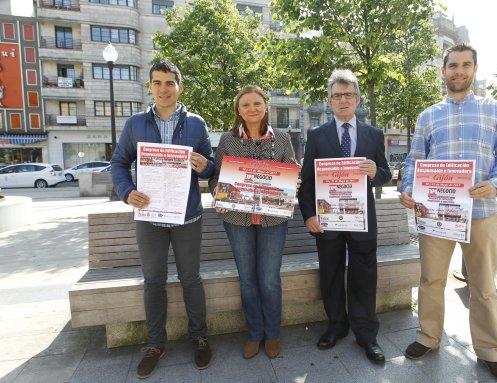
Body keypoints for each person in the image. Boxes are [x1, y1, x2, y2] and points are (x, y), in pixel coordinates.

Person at [399, 44, 497, 383]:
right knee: (431, 280)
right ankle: (428, 336)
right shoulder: (428, 116)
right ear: (443, 70)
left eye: (466, 65)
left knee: (483, 286)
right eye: (453, 65)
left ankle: (489, 351)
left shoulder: (495, 111)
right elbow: (413, 160)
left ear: (475, 69)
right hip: (435, 213)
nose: (458, 71)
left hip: (481, 211)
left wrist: (496, 184)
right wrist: (408, 187)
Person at [111, 59, 215, 379]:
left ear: (179, 86)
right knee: (153, 280)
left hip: (187, 215)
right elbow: (118, 164)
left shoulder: (197, 123)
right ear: (150, 87)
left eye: (170, 82)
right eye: (157, 82)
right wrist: (127, 191)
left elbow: (211, 166)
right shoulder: (135, 124)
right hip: (149, 215)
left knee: (190, 278)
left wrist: (205, 166)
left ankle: (198, 336)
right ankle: (156, 343)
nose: (163, 88)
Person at [298, 69, 392, 363]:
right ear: (328, 101)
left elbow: (386, 174)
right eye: (336, 95)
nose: (342, 100)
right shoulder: (316, 136)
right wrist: (308, 214)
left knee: (365, 275)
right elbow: (307, 180)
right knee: (331, 273)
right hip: (327, 221)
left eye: (348, 94)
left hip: (361, 221)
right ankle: (336, 326)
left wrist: (376, 173)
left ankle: (367, 336)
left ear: (358, 99)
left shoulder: (374, 135)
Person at [209, 86, 298, 359]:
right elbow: (215, 177)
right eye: (245, 104)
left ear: (266, 106)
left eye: (257, 103)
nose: (252, 109)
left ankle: (272, 334)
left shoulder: (282, 139)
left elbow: (292, 172)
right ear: (238, 110)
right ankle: (254, 333)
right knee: (247, 280)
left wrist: (294, 183)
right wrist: (217, 193)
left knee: (269, 280)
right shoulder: (227, 140)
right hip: (237, 219)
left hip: (273, 220)